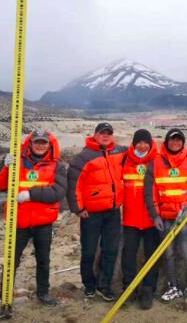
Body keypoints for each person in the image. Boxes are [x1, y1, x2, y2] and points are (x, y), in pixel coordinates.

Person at [0, 129, 66, 306]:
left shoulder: (57, 166)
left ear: (49, 145)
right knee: (11, 260)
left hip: (43, 222)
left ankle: (43, 293)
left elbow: (58, 192)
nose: (40, 145)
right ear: (30, 144)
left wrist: (31, 195)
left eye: (44, 142)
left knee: (43, 260)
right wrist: (4, 166)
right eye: (37, 142)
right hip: (18, 221)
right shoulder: (17, 162)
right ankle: (5, 296)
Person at [66, 122, 127, 301]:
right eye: (102, 133)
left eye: (109, 133)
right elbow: (74, 184)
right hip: (91, 213)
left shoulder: (119, 152)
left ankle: (104, 285)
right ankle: (89, 285)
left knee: (111, 250)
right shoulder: (84, 157)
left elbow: (142, 150)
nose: (105, 136)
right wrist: (78, 208)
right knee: (89, 251)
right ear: (95, 135)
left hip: (113, 211)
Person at [144, 128, 187, 306]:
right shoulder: (155, 162)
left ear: (183, 143)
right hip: (165, 217)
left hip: (185, 216)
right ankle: (173, 286)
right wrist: (155, 215)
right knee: (168, 254)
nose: (175, 143)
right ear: (167, 142)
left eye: (178, 140)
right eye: (172, 139)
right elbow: (150, 192)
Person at [121, 129, 160, 309]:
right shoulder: (124, 159)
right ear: (133, 143)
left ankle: (148, 289)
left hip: (152, 218)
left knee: (151, 255)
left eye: (146, 143)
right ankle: (129, 287)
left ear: (150, 144)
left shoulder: (157, 160)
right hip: (130, 218)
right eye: (139, 142)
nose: (142, 146)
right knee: (128, 254)